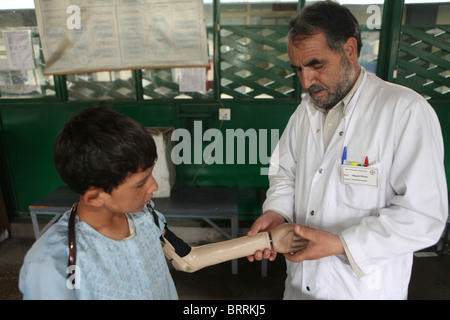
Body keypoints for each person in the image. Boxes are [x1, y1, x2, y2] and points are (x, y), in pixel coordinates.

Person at [248, 1, 448, 300]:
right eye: (298, 69)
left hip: (362, 290)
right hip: (299, 287)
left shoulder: (404, 110)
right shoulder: (306, 113)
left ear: (350, 50)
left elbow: (423, 216)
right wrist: (277, 212)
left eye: (316, 65)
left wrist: (340, 244)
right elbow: (285, 173)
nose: (306, 81)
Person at [19, 104, 178, 299]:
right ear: (95, 198)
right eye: (140, 183)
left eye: (151, 173)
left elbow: (183, 255)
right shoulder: (54, 264)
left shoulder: (145, 217)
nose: (153, 186)